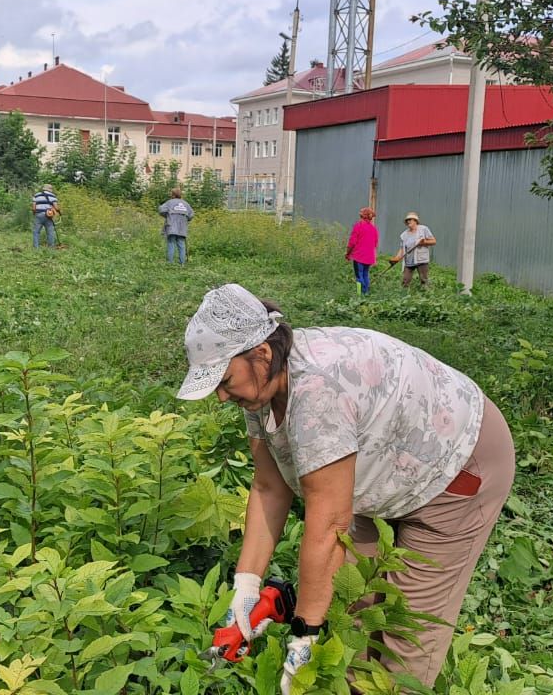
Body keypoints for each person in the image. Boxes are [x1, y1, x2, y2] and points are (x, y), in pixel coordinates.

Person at [177, 284, 515, 692]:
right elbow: (269, 486)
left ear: (261, 354)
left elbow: (330, 523)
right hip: (383, 467)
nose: (219, 395)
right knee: (351, 605)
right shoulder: (262, 390)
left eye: (224, 379)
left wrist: (304, 632)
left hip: (457, 464)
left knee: (404, 634)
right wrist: (246, 588)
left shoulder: (318, 389)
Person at [389, 212, 437, 288]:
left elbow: (433, 241)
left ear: (415, 221)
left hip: (421, 259)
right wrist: (396, 258)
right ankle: (404, 295)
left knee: (424, 280)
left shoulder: (423, 229)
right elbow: (402, 249)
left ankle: (425, 295)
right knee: (405, 281)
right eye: (407, 220)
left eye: (410, 219)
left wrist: (424, 242)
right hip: (409, 261)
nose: (408, 221)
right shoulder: (404, 235)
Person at [346, 206, 379, 295]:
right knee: (365, 275)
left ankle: (359, 294)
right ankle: (366, 292)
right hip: (369, 258)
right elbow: (375, 244)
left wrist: (348, 253)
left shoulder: (358, 226)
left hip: (359, 256)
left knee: (358, 275)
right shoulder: (374, 229)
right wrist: (374, 258)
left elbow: (352, 242)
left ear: (362, 215)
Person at [158, 187, 194, 265]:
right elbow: (191, 215)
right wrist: (184, 218)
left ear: (173, 194)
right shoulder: (186, 204)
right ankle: (182, 263)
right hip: (182, 227)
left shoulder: (169, 202)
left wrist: (167, 215)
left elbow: (161, 210)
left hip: (171, 226)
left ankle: (170, 263)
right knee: (181, 244)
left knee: (171, 243)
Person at [31, 184, 58, 248]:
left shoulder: (36, 195)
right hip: (48, 215)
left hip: (38, 214)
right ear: (50, 189)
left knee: (36, 232)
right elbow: (56, 207)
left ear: (43, 188)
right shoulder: (52, 196)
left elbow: (33, 208)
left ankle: (36, 248)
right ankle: (51, 248)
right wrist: (59, 212)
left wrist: (35, 213)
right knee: (50, 232)